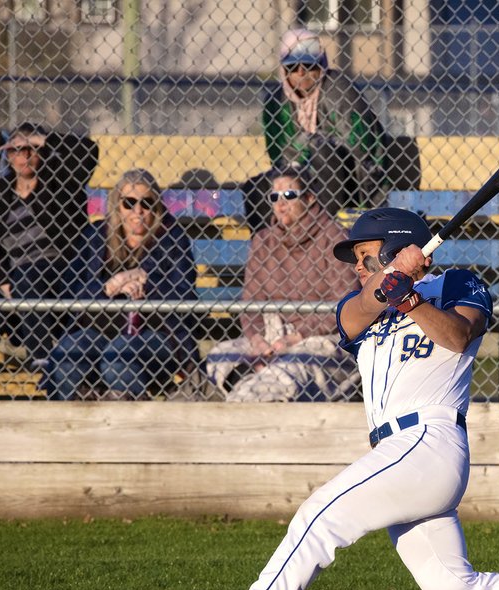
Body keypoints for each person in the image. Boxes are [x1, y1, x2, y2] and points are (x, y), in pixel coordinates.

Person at [160, 208, 499, 590]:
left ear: (394, 248)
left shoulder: (457, 283)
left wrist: (410, 297)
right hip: (397, 451)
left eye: (365, 255)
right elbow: (355, 314)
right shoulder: (363, 304)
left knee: (319, 517)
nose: (356, 266)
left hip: (429, 440)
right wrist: (392, 279)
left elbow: (458, 337)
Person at [41, 169, 197, 400]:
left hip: (155, 333)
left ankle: (132, 418)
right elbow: (69, 290)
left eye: (147, 203)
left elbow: (186, 296)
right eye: (129, 203)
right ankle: (64, 419)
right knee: (67, 356)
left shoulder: (172, 238)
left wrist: (147, 284)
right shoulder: (96, 236)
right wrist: (109, 286)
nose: (138, 211)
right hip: (99, 328)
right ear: (117, 205)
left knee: (118, 356)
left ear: (157, 206)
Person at [206, 166, 358, 402]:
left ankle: (254, 399)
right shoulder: (264, 240)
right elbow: (251, 302)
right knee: (221, 357)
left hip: (322, 337)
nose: (280, 203)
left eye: (289, 195)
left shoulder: (334, 237)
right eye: (274, 197)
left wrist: (297, 336)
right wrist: (258, 341)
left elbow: (346, 305)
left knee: (291, 369)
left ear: (309, 198)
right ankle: (255, 391)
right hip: (273, 334)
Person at [0, 124, 100, 370]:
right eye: (16, 150)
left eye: (31, 149)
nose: (24, 156)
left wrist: (44, 139)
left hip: (60, 268)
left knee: (28, 276)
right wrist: (2, 280)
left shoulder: (61, 181)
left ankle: (41, 360)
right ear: (8, 156)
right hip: (13, 273)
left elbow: (88, 152)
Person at [242, 28, 388, 232]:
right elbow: (278, 156)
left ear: (321, 65)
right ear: (284, 71)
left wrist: (313, 144)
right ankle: (270, 242)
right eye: (293, 66)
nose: (301, 72)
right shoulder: (276, 100)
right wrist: (302, 160)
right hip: (299, 177)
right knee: (255, 187)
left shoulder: (339, 89)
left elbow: (361, 146)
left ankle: (322, 231)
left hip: (353, 180)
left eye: (309, 65)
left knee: (323, 152)